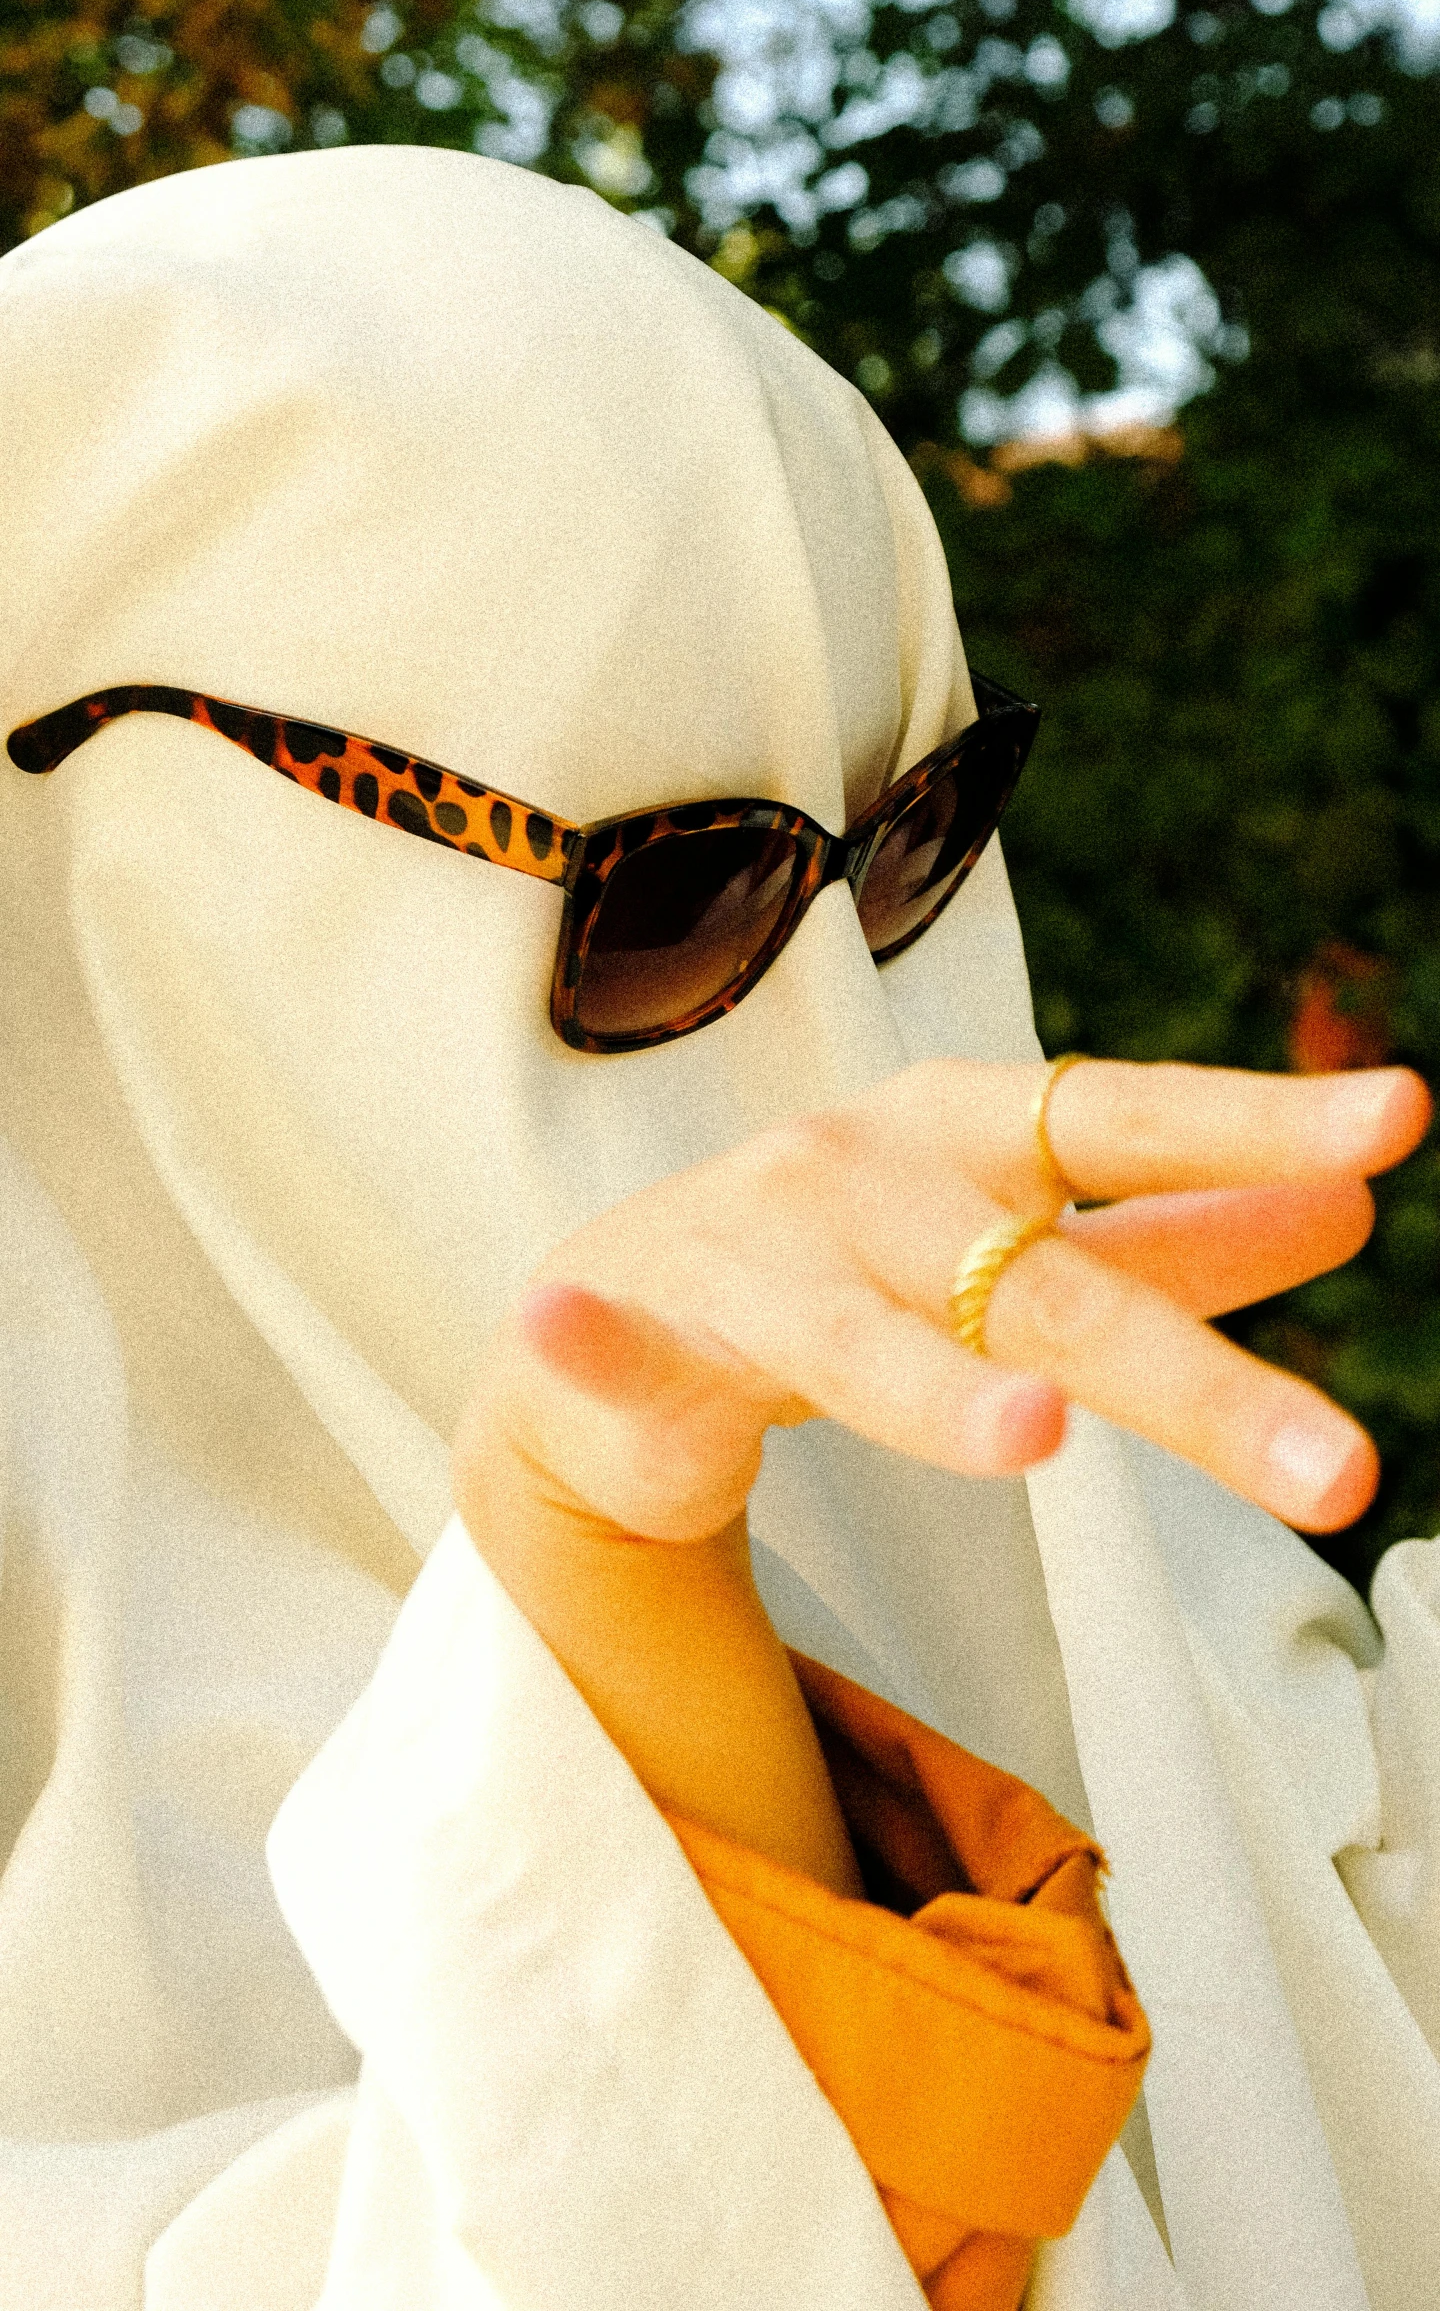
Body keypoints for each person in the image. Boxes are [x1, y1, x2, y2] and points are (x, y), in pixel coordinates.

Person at [0, 143, 1436, 2311]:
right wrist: (596, 1573)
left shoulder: (1241, 1692)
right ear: (111, 889)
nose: (822, 1047)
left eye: (917, 845)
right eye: (671, 901)